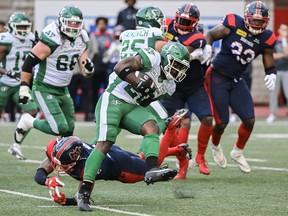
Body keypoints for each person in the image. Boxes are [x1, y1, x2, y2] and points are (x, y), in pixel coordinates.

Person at [77, 41, 190, 211]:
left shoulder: (170, 86)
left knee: (152, 128)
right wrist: (137, 81)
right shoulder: (151, 58)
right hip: (114, 97)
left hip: (133, 105)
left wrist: (147, 92)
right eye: (176, 65)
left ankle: (152, 169)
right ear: (165, 59)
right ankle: (84, 192)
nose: (178, 71)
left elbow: (145, 101)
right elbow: (120, 66)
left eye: (182, 68)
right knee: (104, 143)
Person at [204, 1, 276, 173]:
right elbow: (210, 35)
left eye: (261, 21)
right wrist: (207, 47)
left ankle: (237, 151)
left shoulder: (266, 38)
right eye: (254, 20)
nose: (257, 25)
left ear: (266, 21)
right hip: (217, 77)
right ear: (246, 18)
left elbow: (268, 59)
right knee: (221, 122)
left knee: (249, 120)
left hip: (237, 79)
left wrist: (271, 73)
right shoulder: (234, 24)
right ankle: (215, 146)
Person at [14, 6, 94, 143]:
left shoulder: (82, 38)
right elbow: (28, 63)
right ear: (62, 21)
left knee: (69, 131)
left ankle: (63, 162)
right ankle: (28, 121)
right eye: (70, 22)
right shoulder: (53, 37)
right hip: (44, 87)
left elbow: (85, 72)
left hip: (63, 88)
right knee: (59, 127)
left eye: (77, 23)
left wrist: (89, 69)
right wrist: (24, 89)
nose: (74, 27)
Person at [162, 3, 213, 178]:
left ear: (195, 23)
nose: (182, 24)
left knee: (207, 118)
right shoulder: (168, 26)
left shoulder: (197, 38)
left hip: (192, 86)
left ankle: (200, 157)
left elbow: (179, 56)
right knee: (169, 124)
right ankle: (181, 163)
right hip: (172, 86)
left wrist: (192, 55)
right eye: (181, 20)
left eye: (187, 21)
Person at [0, 12, 38, 160]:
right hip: (3, 83)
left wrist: (37, 45)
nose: (23, 30)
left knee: (33, 110)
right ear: (12, 27)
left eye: (25, 26)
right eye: (20, 26)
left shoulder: (31, 38)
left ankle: (16, 144)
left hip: (20, 85)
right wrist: (8, 72)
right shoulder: (5, 39)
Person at [87, 16, 113, 121]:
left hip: (107, 69)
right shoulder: (93, 36)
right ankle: (93, 112)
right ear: (97, 25)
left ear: (106, 25)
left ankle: (106, 113)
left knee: (108, 92)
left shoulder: (110, 36)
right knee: (94, 91)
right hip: (96, 67)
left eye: (104, 23)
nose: (102, 25)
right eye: (100, 23)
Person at [266, 23, 288, 123]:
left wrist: (284, 41)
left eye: (286, 30)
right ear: (279, 30)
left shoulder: (285, 42)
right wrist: (282, 55)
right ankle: (273, 114)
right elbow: (272, 56)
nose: (284, 31)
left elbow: (287, 54)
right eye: (283, 29)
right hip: (275, 71)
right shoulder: (274, 41)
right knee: (274, 93)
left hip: (286, 70)